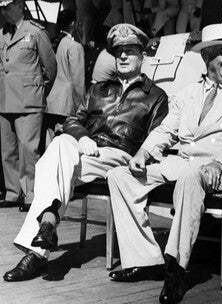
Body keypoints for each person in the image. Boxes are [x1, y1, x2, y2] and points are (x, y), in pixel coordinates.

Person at [105, 23, 222, 304]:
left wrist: (220, 163)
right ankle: (146, 259)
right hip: (182, 163)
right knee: (119, 176)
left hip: (219, 170)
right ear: (207, 58)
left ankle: (176, 269)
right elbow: (167, 130)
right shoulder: (189, 93)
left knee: (191, 178)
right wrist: (143, 153)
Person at [3, 23, 169, 282]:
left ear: (142, 55)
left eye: (130, 51)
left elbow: (157, 137)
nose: (123, 56)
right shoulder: (100, 89)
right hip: (86, 153)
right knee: (60, 146)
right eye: (119, 52)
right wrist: (81, 138)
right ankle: (45, 228)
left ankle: (37, 252)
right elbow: (72, 120)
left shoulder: (155, 96)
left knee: (56, 161)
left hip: (121, 156)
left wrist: (137, 157)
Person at [0, 0, 57, 209]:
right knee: (8, 151)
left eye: (7, 6)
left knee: (28, 150)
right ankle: (13, 193)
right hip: (4, 99)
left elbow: (49, 66)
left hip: (28, 100)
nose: (3, 10)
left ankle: (31, 194)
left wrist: (37, 90)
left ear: (20, 5)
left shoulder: (35, 31)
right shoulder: (2, 33)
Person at [46, 9, 85, 143]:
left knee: (48, 143)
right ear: (73, 23)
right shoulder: (74, 46)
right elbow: (78, 80)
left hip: (48, 102)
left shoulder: (50, 42)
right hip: (65, 104)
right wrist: (81, 106)